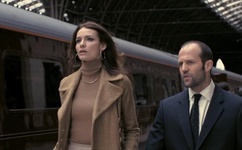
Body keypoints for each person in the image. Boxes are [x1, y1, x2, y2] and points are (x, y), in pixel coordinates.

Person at [53, 21, 140, 150]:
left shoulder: (120, 82)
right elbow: (63, 132)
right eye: (78, 41)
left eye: (89, 39)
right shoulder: (66, 84)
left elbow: (132, 129)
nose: (82, 44)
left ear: (103, 45)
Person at [146, 40, 242, 150]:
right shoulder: (167, 108)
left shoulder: (236, 107)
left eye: (190, 62)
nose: (184, 69)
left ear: (207, 65)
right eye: (180, 64)